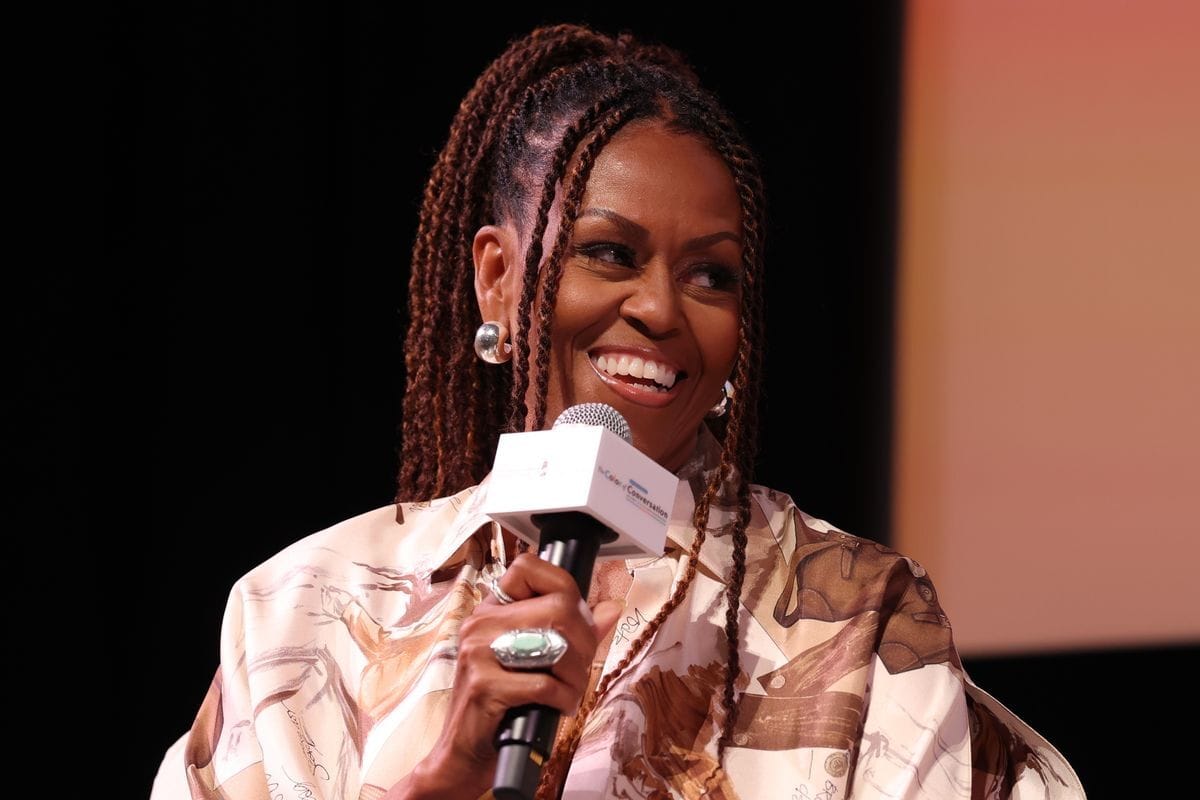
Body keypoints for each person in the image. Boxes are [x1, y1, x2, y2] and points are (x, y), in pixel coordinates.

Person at [150, 22, 1085, 800]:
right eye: (610, 253)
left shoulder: (857, 625)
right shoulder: (302, 614)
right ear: (497, 280)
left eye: (711, 274)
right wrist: (445, 778)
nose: (661, 309)